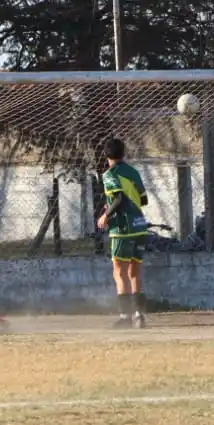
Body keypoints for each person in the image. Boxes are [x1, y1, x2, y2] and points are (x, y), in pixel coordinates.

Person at [97, 138, 149, 328]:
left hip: (123, 228)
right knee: (134, 272)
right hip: (139, 225)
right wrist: (112, 204)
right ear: (124, 153)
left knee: (119, 272)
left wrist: (105, 214)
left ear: (107, 155)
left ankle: (125, 317)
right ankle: (139, 316)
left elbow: (119, 199)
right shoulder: (133, 172)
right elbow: (143, 200)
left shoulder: (110, 174)